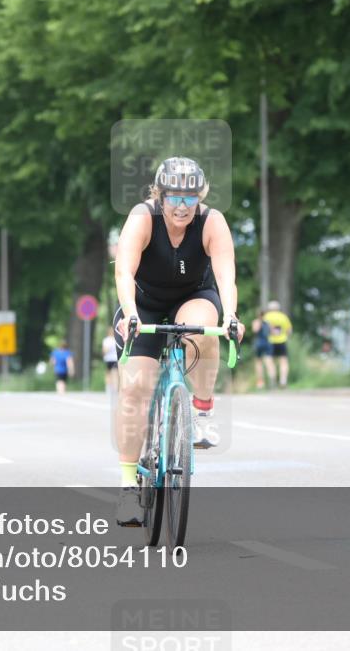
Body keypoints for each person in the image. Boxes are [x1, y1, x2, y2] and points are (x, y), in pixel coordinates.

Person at [111, 156, 243, 526]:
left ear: (200, 197)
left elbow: (226, 275)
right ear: (160, 195)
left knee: (202, 329)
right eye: (174, 197)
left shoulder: (212, 221)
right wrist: (130, 314)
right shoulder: (143, 217)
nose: (182, 206)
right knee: (134, 389)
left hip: (193, 297)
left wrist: (231, 316)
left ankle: (201, 412)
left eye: (190, 198)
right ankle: (127, 488)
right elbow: (124, 271)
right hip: (143, 303)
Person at [262, 300, 291, 388]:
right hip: (282, 341)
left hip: (270, 342)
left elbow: (263, 330)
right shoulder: (283, 317)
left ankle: (273, 380)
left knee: (269, 360)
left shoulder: (266, 316)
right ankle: (283, 380)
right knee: (283, 361)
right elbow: (289, 330)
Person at [251, 309, 275, 389]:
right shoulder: (268, 323)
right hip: (267, 343)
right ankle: (271, 380)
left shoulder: (256, 322)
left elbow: (255, 330)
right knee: (269, 361)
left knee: (259, 363)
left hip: (259, 343)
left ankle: (261, 382)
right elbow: (272, 332)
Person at [101, 327, 119, 392]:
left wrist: (104, 354)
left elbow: (104, 350)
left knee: (108, 374)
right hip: (115, 359)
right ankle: (115, 389)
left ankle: (108, 389)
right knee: (115, 374)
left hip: (108, 359)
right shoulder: (116, 339)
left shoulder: (106, 340)